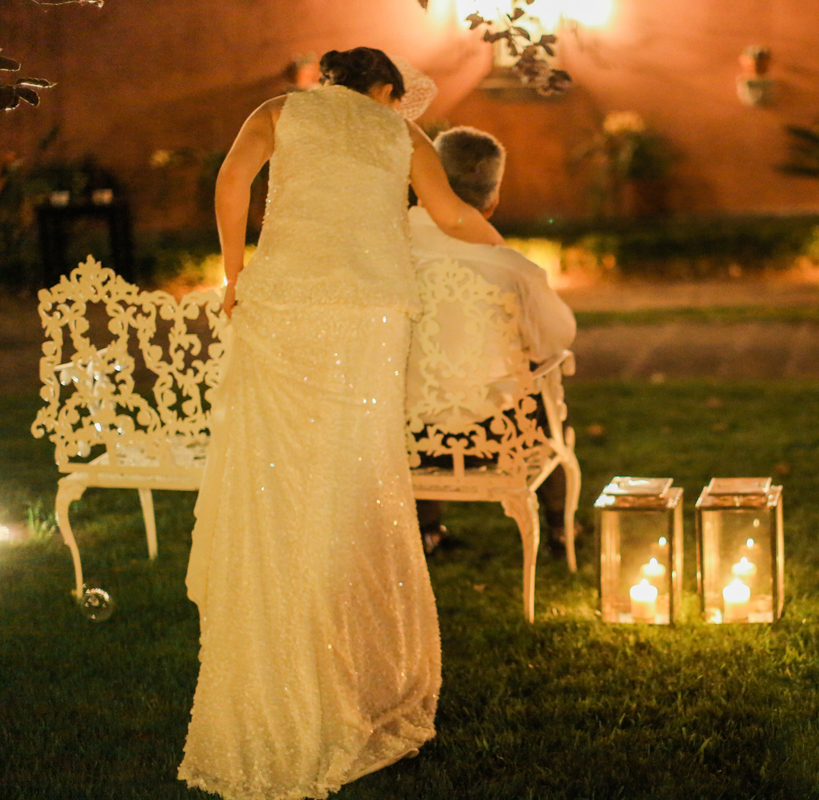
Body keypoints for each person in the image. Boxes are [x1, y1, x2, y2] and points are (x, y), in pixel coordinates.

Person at [178, 48, 504, 800]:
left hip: (284, 309)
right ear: (386, 89)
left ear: (328, 80)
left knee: (274, 483)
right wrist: (504, 248)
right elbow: (452, 213)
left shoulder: (278, 111)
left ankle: (278, 658)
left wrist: (234, 271)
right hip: (366, 321)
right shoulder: (402, 134)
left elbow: (231, 184)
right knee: (354, 478)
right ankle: (344, 669)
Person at [407, 126, 576, 554]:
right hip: (498, 435)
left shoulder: (387, 251)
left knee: (416, 389)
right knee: (548, 391)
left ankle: (427, 531)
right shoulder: (513, 270)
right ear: (492, 200)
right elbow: (557, 339)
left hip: (409, 438)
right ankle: (558, 529)